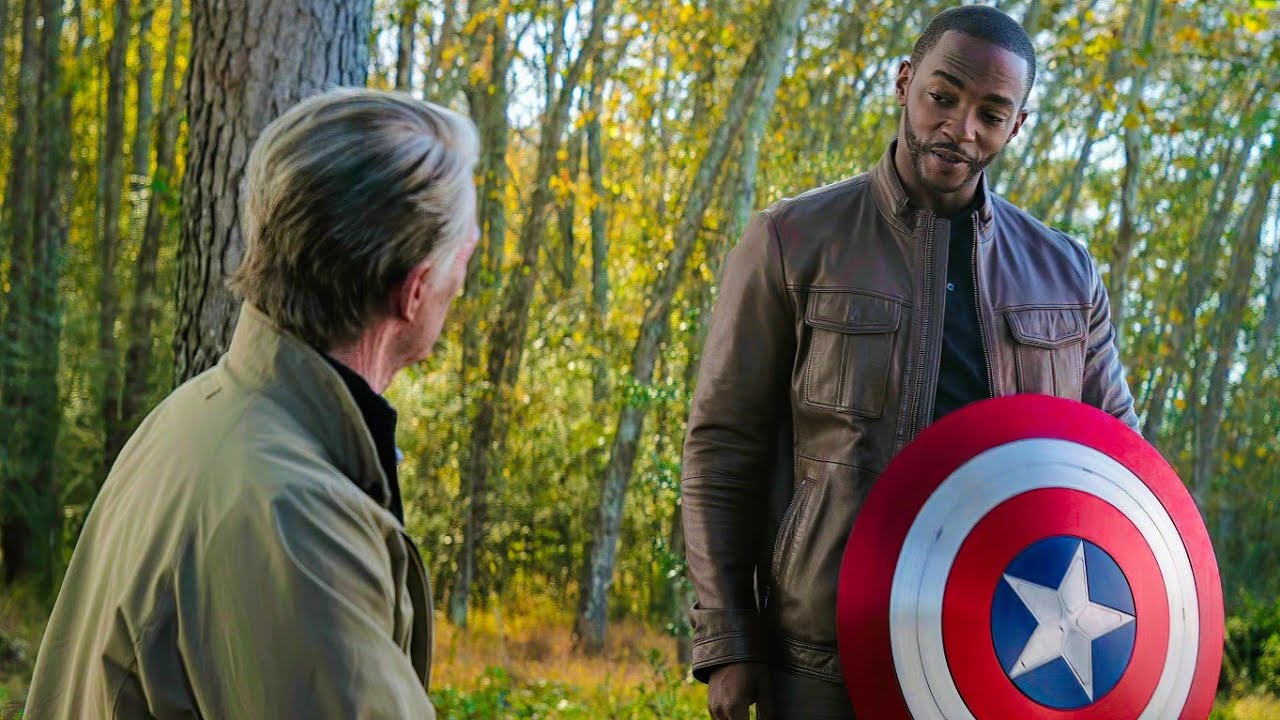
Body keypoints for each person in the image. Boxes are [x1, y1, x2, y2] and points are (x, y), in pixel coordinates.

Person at [680, 6, 1141, 719]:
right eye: (942, 96)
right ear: (904, 83)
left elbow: (1120, 470)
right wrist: (727, 639)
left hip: (1008, 656)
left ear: (1017, 126)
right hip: (823, 655)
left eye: (991, 114)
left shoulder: (1066, 274)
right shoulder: (791, 241)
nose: (961, 128)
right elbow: (722, 446)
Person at [25, 88, 479, 719]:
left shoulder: (202, 414)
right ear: (416, 289)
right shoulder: (295, 520)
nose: (467, 267)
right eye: (464, 251)